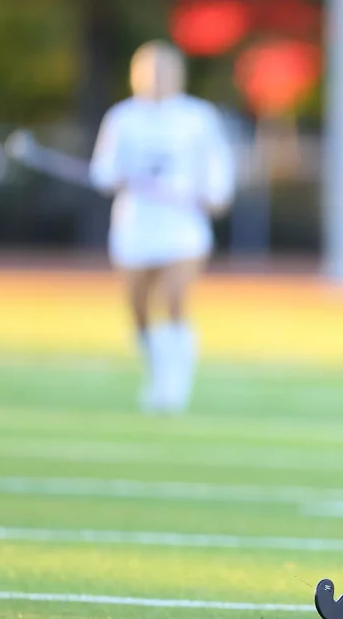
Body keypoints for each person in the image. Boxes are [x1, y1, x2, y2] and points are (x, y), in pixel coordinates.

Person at [89, 40, 234, 415]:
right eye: (147, 71)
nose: (155, 78)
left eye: (163, 70)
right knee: (138, 309)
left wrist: (213, 195)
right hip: (135, 227)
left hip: (182, 227)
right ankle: (157, 373)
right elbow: (102, 171)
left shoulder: (197, 117)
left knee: (174, 300)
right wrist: (119, 176)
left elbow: (217, 171)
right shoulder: (122, 117)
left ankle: (175, 384)